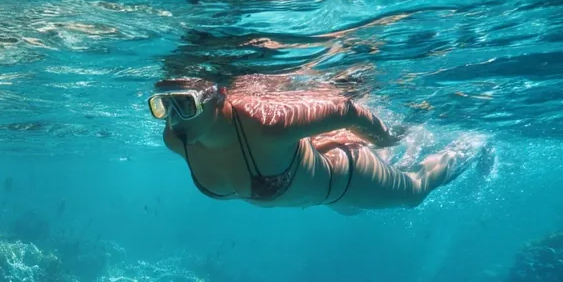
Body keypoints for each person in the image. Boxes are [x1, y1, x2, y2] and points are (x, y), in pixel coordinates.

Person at [149, 77, 479, 212]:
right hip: (314, 186)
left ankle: (468, 147)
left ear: (220, 94)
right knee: (351, 214)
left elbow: (347, 111)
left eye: (186, 103)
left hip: (347, 179)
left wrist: (386, 138)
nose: (174, 117)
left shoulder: (266, 125)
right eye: (164, 105)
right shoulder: (176, 139)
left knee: (415, 192)